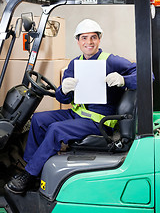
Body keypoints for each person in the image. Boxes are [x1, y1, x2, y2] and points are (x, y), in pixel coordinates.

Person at [5, 19, 137, 194]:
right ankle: (31, 168)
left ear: (99, 40)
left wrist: (123, 80)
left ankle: (29, 175)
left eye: (93, 38)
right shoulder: (75, 64)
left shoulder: (111, 61)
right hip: (77, 114)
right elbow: (63, 98)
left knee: (55, 129)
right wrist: (64, 90)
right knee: (38, 119)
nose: (89, 42)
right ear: (78, 41)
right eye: (84, 38)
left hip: (99, 121)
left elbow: (147, 75)